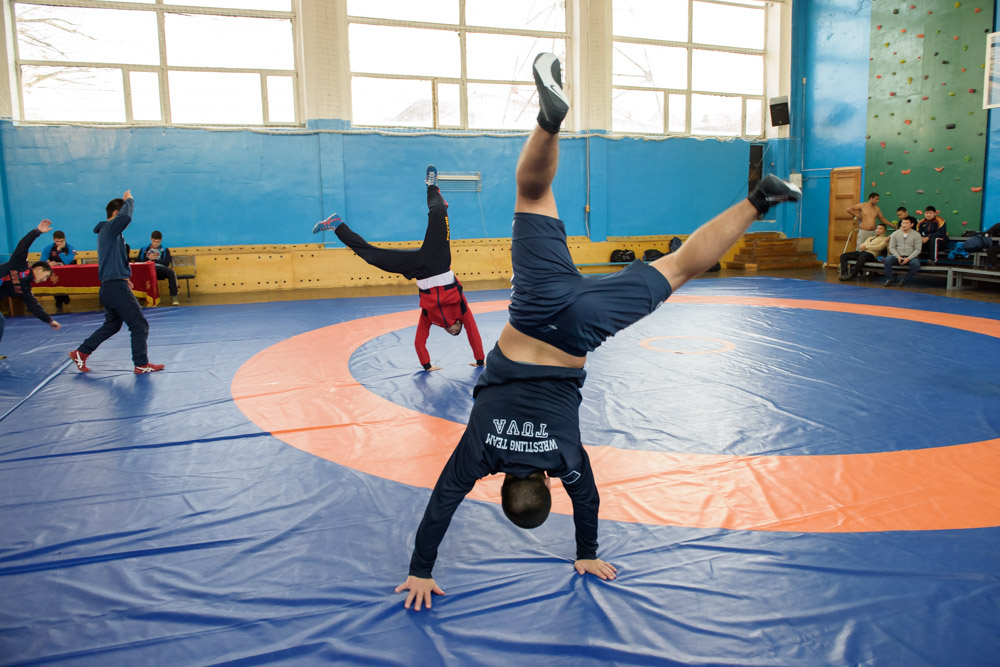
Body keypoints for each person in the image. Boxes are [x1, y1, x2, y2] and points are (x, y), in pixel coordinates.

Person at [393, 53, 802, 611]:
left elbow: (588, 501)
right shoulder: (479, 454)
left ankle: (761, 198)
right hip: (532, 310)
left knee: (679, 268)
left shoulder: (565, 459)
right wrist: (420, 569)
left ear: (545, 483)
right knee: (532, 194)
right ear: (505, 482)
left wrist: (586, 552)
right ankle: (549, 121)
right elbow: (442, 503)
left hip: (579, 333)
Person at [313, 171, 485, 371]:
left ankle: (337, 225)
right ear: (458, 323)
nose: (453, 331)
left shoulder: (430, 316)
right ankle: (432, 186)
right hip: (439, 263)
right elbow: (473, 332)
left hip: (419, 270)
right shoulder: (461, 310)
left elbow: (419, 340)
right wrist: (480, 360)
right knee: (438, 212)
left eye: (452, 333)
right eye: (457, 331)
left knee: (374, 257)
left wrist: (427, 365)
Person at [69, 191, 164, 374]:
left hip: (110, 285)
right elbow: (126, 216)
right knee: (139, 325)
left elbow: (115, 259)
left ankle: (81, 352)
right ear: (115, 213)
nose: (126, 224)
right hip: (114, 286)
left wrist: (124, 277)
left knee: (112, 325)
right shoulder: (110, 228)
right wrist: (129, 200)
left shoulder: (110, 234)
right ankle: (141, 364)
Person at [1, 220, 61, 359]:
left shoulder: (25, 289)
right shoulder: (19, 263)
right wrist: (37, 232)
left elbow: (34, 306)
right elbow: (23, 244)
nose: (44, 280)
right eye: (45, 276)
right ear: (39, 269)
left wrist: (49, 320)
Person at [138, 230, 180, 306]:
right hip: (147, 270)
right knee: (139, 274)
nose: (156, 243)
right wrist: (148, 259)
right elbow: (138, 262)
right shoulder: (144, 249)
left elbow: (167, 263)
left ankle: (174, 296)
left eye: (158, 242)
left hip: (160, 269)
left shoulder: (165, 250)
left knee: (171, 272)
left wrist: (155, 260)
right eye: (154, 241)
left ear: (161, 240)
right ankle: (141, 298)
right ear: (151, 239)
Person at [39, 230, 77, 313]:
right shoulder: (48, 248)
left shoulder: (71, 248)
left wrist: (59, 251)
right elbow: (41, 262)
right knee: (53, 280)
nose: (59, 243)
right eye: (57, 241)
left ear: (65, 239)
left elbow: (67, 261)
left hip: (68, 271)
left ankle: (64, 296)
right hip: (54, 272)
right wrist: (49, 264)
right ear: (53, 240)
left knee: (64, 280)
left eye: (61, 241)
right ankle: (59, 300)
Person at [883, 217, 922, 286]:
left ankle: (904, 280)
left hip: (910, 257)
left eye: (906, 223)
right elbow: (891, 247)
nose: (904, 225)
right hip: (897, 256)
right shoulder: (895, 234)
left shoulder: (916, 235)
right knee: (887, 260)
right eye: (903, 223)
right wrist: (898, 256)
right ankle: (889, 279)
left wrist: (908, 258)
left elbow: (917, 249)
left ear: (912, 224)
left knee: (916, 264)